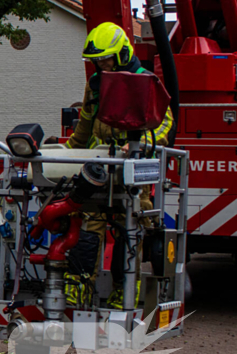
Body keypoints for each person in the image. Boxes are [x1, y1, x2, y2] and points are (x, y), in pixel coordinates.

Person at [65, 22, 173, 308]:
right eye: (98, 62)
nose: (103, 66)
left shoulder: (145, 80)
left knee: (129, 232)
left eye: (107, 59)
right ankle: (78, 286)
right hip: (100, 169)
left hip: (133, 172)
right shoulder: (96, 85)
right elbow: (84, 129)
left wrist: (140, 145)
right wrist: (63, 156)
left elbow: (165, 123)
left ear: (123, 53)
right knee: (88, 227)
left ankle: (123, 291)